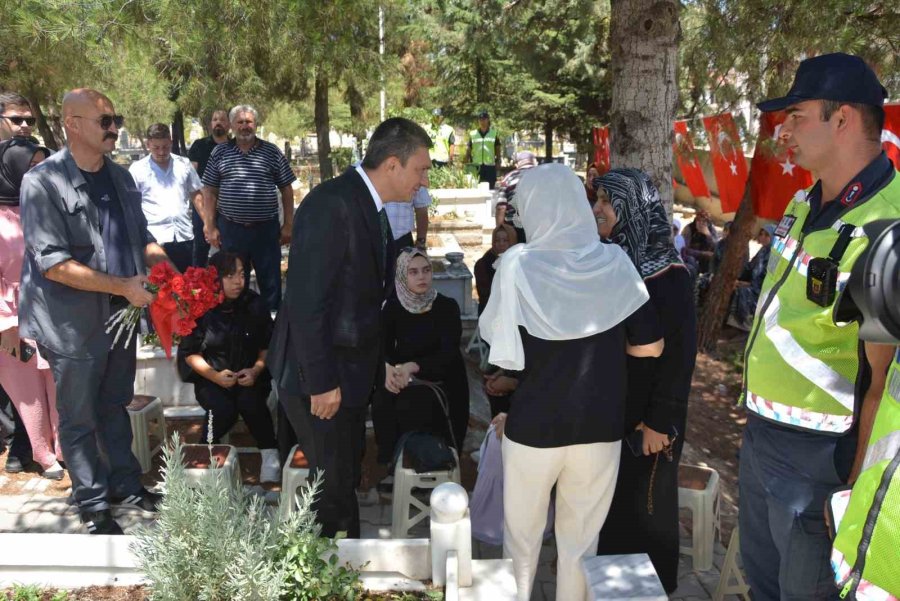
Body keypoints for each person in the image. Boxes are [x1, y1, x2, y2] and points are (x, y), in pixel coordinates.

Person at [739, 53, 899, 599]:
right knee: (762, 586)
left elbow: (881, 383)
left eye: (796, 115)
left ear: (843, 119)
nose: (784, 130)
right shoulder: (805, 201)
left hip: (819, 465)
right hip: (761, 439)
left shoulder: (888, 229)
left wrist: (854, 491)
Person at [481, 163, 663, 601]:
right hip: (598, 428)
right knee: (581, 547)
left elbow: (502, 351)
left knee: (520, 545)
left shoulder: (517, 265)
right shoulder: (615, 261)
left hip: (533, 426)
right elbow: (651, 346)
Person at [267, 117, 432, 538]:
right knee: (332, 491)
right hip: (318, 379)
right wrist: (320, 382)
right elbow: (306, 303)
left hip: (349, 373)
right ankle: (332, 575)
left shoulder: (369, 206)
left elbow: (360, 305)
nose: (423, 180)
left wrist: (380, 367)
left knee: (342, 479)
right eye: (421, 169)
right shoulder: (332, 204)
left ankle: (342, 569)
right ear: (393, 164)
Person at [19, 88, 172, 535]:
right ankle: (91, 501)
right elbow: (53, 264)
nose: (114, 127)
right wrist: (122, 286)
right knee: (79, 415)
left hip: (119, 318)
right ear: (72, 123)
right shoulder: (42, 182)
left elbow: (142, 240)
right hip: (70, 322)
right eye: (104, 120)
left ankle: (125, 484)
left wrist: (175, 278)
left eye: (115, 118)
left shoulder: (122, 178)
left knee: (114, 403)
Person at [591, 168, 697, 594]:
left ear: (632, 208)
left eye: (606, 202)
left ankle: (649, 591)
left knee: (646, 515)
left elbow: (680, 358)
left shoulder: (669, 275)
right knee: (614, 515)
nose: (597, 209)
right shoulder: (609, 262)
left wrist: (658, 421)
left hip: (650, 424)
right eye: (596, 200)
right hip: (614, 414)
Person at [178, 252, 280, 483]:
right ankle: (204, 455)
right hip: (211, 378)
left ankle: (269, 453)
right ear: (215, 278)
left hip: (249, 376)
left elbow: (267, 345)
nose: (238, 281)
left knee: (250, 401)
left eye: (242, 274)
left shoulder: (254, 304)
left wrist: (255, 370)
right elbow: (189, 354)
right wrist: (215, 376)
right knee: (222, 409)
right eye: (230, 275)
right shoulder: (201, 307)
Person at [0, 138, 63, 481]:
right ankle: (41, 453)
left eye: (43, 165)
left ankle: (65, 447)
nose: (38, 173)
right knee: (26, 390)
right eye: (30, 167)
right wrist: (6, 325)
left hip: (53, 309)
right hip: (12, 317)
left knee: (57, 380)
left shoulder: (48, 208)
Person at [372, 248, 470, 465]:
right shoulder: (393, 308)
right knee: (382, 398)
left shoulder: (446, 307)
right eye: (413, 272)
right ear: (402, 276)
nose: (422, 277)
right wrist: (389, 369)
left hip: (441, 378)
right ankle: (392, 464)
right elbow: (383, 348)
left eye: (426, 270)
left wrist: (412, 367)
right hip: (403, 376)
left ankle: (431, 461)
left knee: (416, 404)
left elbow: (448, 354)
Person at [200, 104, 296, 312]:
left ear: (255, 124)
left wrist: (288, 224)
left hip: (266, 231)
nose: (245, 126)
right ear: (232, 125)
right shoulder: (220, 152)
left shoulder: (271, 152)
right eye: (240, 122)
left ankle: (271, 336)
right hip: (232, 230)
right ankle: (237, 332)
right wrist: (210, 225)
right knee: (232, 284)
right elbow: (209, 191)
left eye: (249, 122)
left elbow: (287, 189)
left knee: (271, 285)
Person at [129, 123, 203, 273]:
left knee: (186, 286)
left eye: (165, 147)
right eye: (156, 147)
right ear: (148, 144)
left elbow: (196, 194)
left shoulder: (184, 164)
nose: (162, 152)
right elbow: (131, 205)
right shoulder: (137, 170)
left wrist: (208, 223)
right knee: (159, 290)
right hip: (155, 241)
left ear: (170, 142)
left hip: (183, 236)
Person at [188, 109, 230, 267]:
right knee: (200, 250)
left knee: (228, 251)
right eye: (214, 119)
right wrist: (206, 218)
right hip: (203, 206)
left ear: (229, 124)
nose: (218, 122)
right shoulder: (199, 146)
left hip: (227, 209)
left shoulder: (235, 147)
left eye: (222, 119)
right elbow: (192, 181)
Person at [726, 224, 774, 331]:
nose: (763, 237)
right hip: (752, 285)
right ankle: (732, 324)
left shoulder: (774, 255)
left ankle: (745, 326)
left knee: (742, 291)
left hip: (761, 290)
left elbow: (767, 279)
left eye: (767, 235)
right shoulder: (762, 251)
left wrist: (743, 284)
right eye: (761, 234)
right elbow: (749, 268)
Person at [495, 151, 537, 243]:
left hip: (515, 228)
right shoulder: (542, 176)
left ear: (517, 164)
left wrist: (499, 230)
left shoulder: (509, 178)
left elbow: (501, 207)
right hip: (540, 228)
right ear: (534, 162)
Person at [474, 224, 516, 315]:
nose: (501, 244)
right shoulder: (483, 264)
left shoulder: (518, 262)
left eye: (505, 240)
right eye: (497, 240)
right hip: (491, 314)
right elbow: (485, 294)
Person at [385, 185, 430, 250]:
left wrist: (421, 242)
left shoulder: (415, 176)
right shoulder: (371, 175)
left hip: (402, 241)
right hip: (371, 240)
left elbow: (421, 209)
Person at [465, 110, 502, 189]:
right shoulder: (473, 134)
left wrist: (498, 161)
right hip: (476, 166)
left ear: (488, 120)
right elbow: (469, 148)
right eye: (480, 119)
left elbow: (497, 148)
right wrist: (466, 161)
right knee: (475, 187)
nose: (482, 121)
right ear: (478, 121)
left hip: (490, 166)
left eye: (484, 119)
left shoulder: (494, 133)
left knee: (491, 187)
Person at [681, 209, 718, 276]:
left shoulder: (711, 229)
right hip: (691, 257)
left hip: (705, 257)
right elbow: (684, 249)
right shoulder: (689, 229)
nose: (701, 223)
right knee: (691, 260)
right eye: (699, 220)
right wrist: (702, 253)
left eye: (704, 221)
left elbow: (716, 247)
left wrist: (708, 235)